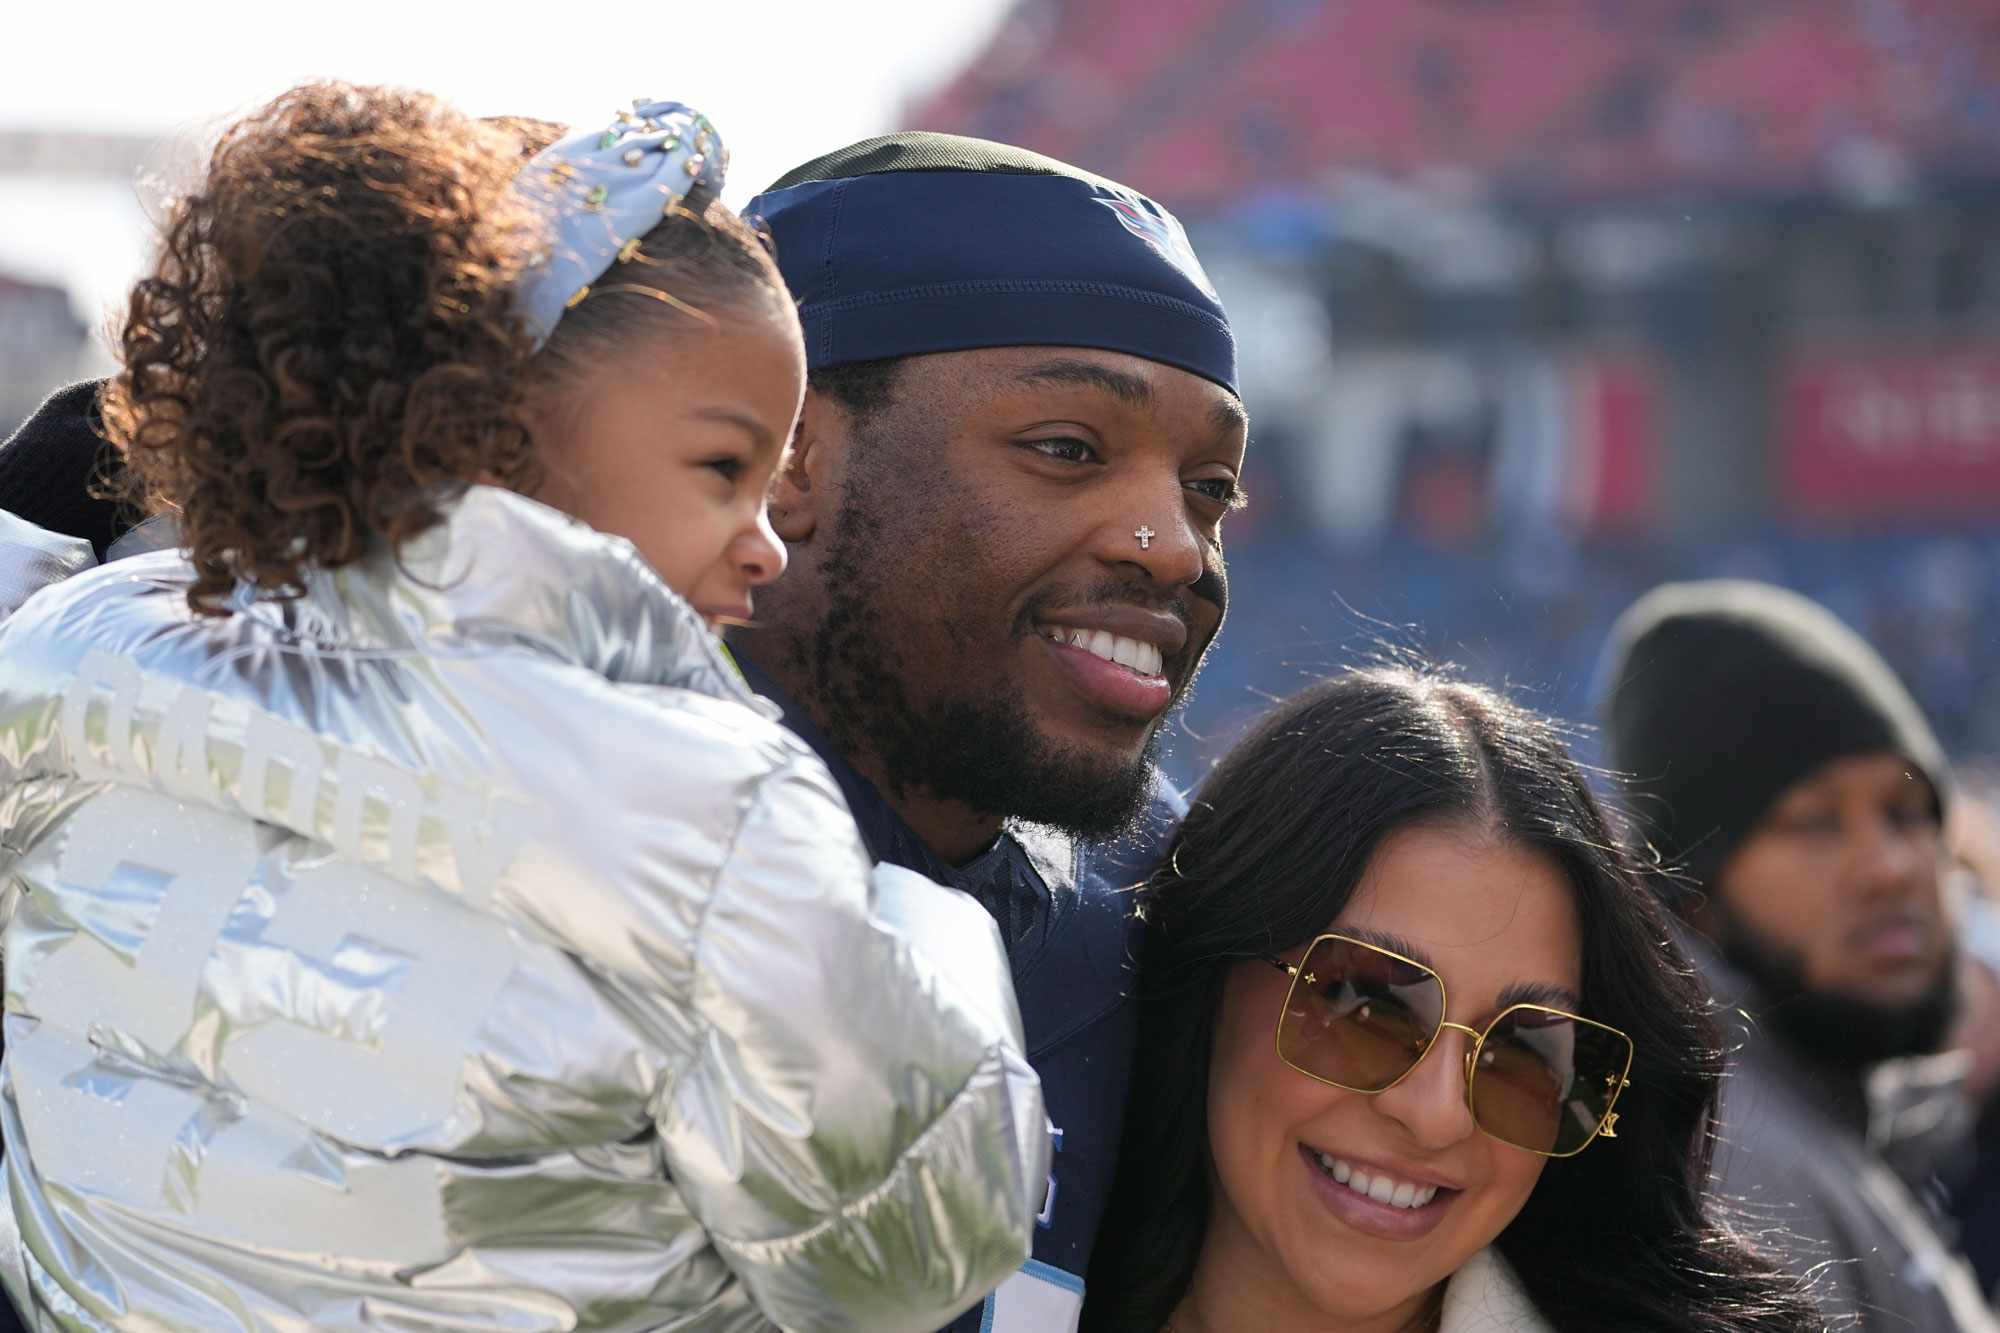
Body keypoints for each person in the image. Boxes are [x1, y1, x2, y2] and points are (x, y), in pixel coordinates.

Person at [0, 84, 1047, 1331]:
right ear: (484, 437)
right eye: (724, 468)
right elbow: (905, 1251)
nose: (766, 546)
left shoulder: (82, 641)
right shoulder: (705, 809)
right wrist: (923, 930)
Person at [735, 133, 1248, 1329]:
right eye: (1066, 449)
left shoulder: (1170, 919)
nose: (1174, 546)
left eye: (1208, 489)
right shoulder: (539, 833)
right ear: (788, 454)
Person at [1084, 667, 1823, 1333]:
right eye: (1366, 1006)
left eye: (1528, 1055)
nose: (1435, 1113)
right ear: (1210, 972)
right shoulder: (989, 1281)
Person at [1601, 578, 1996, 1332]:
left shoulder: (1810, 1112)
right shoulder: (1731, 1168)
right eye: (1814, 822)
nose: (1892, 866)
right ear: (1693, 888)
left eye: (1908, 811)